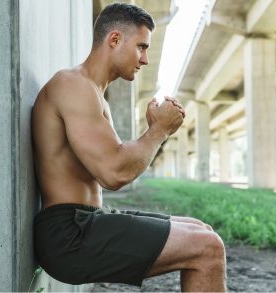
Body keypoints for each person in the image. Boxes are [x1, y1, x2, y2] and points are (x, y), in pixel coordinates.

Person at [32, 2, 227, 291]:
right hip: (69, 235)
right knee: (208, 247)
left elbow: (115, 162)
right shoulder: (73, 85)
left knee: (201, 230)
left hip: (86, 222)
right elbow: (114, 173)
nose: (145, 59)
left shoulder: (93, 93)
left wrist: (153, 130)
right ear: (114, 40)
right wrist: (159, 131)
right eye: (141, 47)